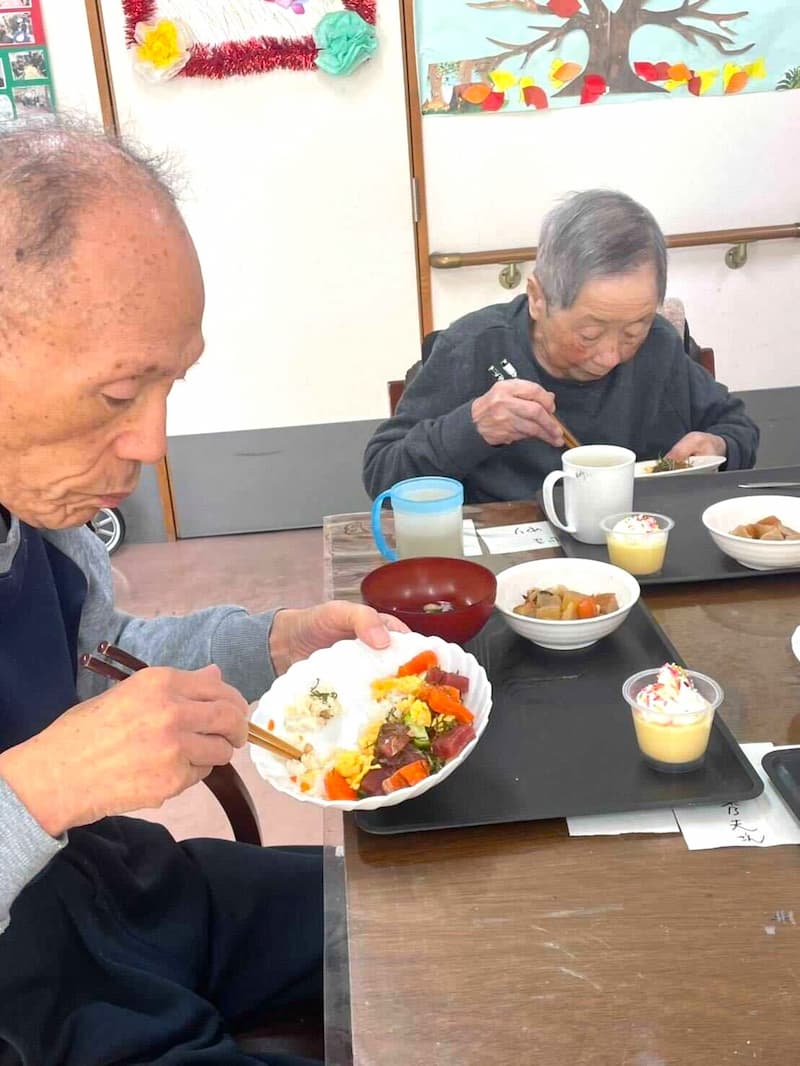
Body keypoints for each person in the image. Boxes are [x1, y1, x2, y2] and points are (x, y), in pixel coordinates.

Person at [0, 120, 406, 1066]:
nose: (152, 448)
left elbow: (96, 661)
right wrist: (44, 786)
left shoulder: (39, 514)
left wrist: (274, 645)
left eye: (172, 385)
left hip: (109, 890)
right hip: (26, 1007)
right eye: (116, 396)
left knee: (420, 914)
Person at [363, 189, 759, 504]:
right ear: (538, 297)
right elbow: (383, 474)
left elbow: (738, 427)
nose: (610, 356)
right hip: (506, 566)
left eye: (631, 331)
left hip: (636, 552)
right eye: (589, 335)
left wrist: (717, 446)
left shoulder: (658, 346)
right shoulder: (476, 347)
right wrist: (473, 427)